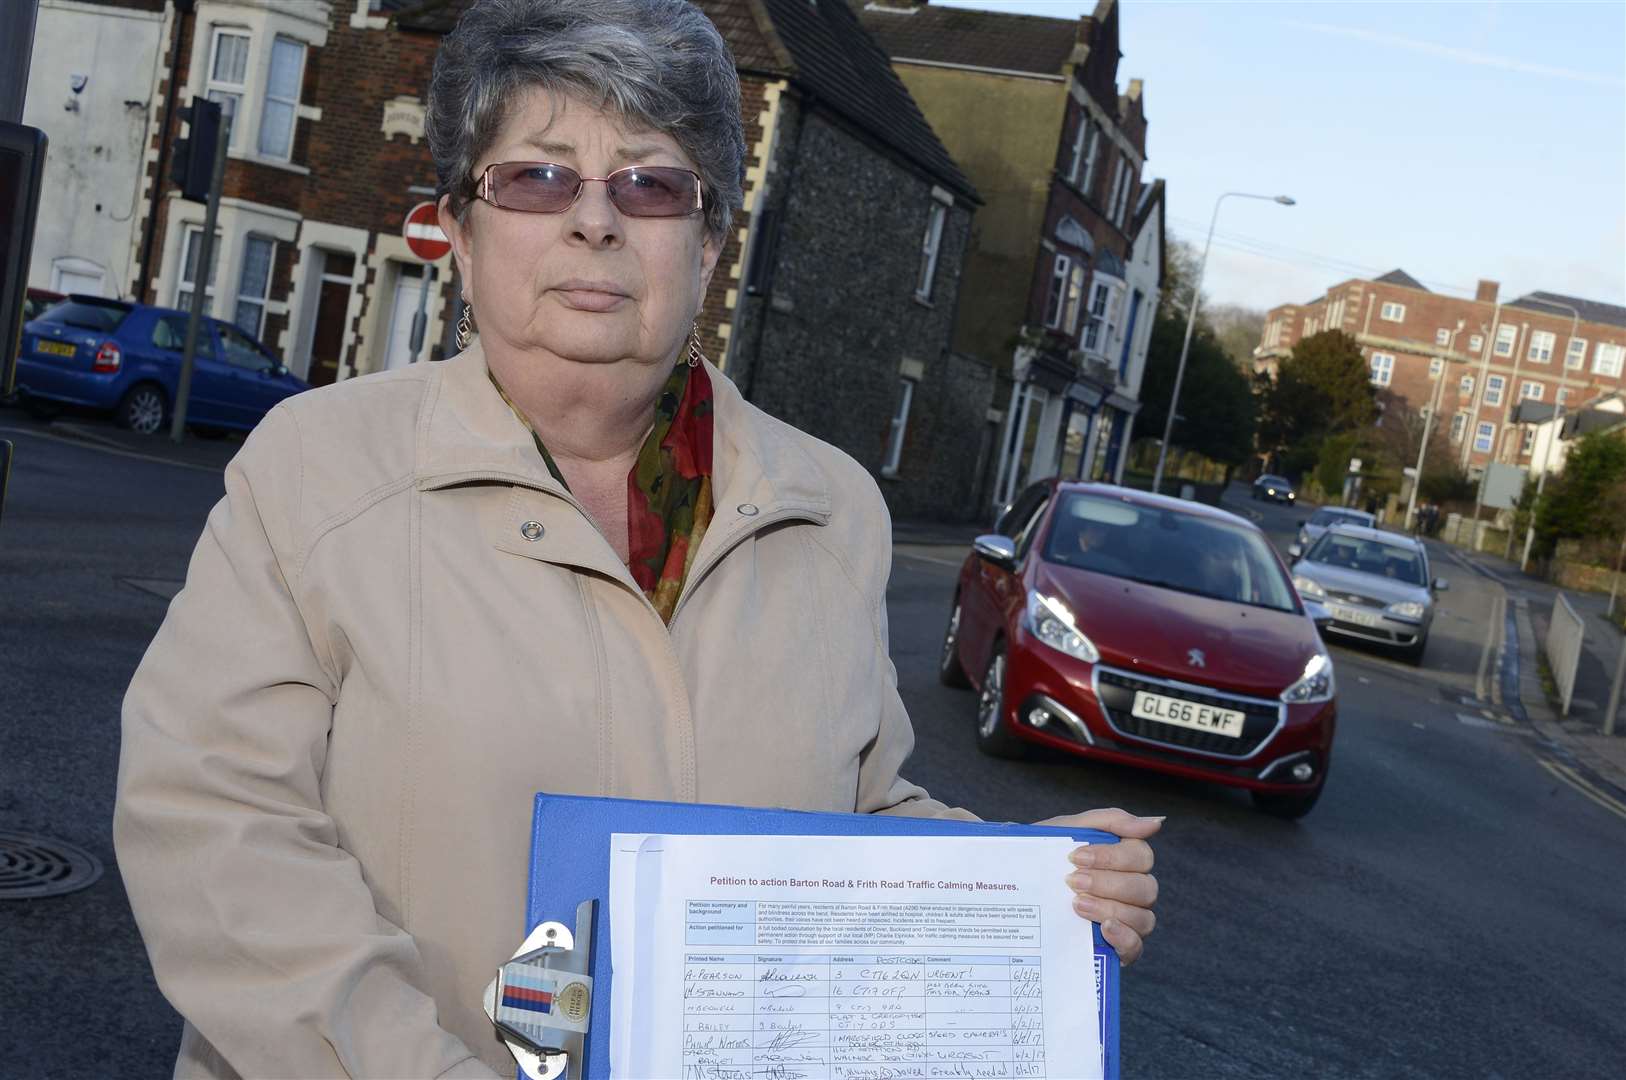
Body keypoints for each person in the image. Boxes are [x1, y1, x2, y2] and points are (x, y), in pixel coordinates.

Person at [113, 2, 1160, 1076]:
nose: (595, 221)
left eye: (650, 183)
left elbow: (854, 811)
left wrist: (1023, 888)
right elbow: (215, 830)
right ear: (461, 234)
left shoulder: (830, 508)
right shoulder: (313, 468)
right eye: (538, 175)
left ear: (709, 243)